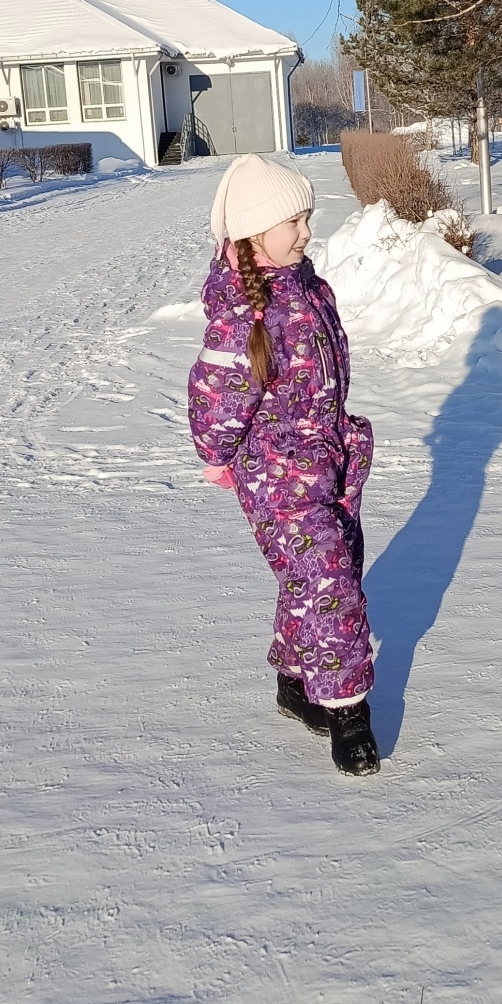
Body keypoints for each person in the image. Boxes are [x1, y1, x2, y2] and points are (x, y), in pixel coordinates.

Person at [188, 154, 379, 776]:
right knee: (330, 581)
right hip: (274, 474)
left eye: (307, 219)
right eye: (292, 222)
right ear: (250, 232)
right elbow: (216, 392)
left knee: (326, 569)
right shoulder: (244, 311)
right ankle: (351, 713)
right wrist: (217, 455)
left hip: (326, 457)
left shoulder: (306, 285)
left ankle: (296, 684)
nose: (304, 232)